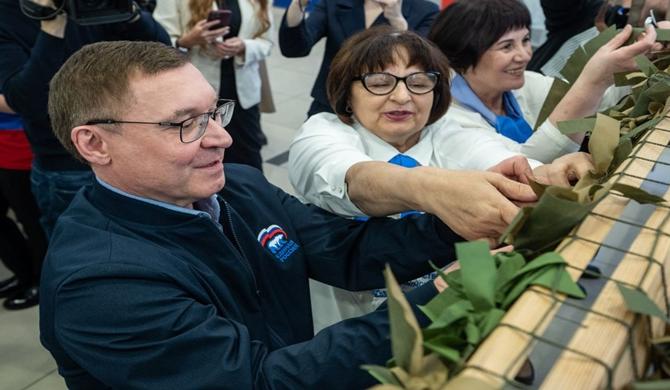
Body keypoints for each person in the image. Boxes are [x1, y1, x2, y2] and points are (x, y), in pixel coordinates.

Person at [39, 40, 469, 389]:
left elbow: (345, 251)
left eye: (213, 112)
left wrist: (459, 218)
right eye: (185, 123)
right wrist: (439, 300)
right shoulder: (102, 283)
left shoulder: (237, 187)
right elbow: (260, 380)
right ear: (94, 144)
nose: (222, 137)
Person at [288, 26, 596, 331]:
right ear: (347, 95)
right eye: (380, 83)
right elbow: (350, 177)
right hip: (351, 328)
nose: (401, 96)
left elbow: (500, 161)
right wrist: (427, 188)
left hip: (445, 321)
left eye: (419, 82)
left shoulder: (451, 132)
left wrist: (547, 177)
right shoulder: (322, 132)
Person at [0, 0, 170, 239]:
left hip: (136, 147)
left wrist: (131, 13)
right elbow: (28, 101)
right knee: (84, 252)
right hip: (66, 165)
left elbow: (162, 54)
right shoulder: (8, 15)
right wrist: (51, 26)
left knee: (153, 242)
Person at [427, 0, 657, 164]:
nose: (525, 55)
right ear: (462, 53)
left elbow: (601, 102)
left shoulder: (522, 86)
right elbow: (524, 169)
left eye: (525, 40)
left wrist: (644, 56)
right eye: (507, 46)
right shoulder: (448, 120)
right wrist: (593, 80)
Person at [154, 0, 273, 171]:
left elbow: (267, 43)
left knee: (248, 154)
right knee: (201, 155)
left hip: (242, 91)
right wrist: (187, 41)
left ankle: (251, 195)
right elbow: (158, 44)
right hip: (194, 91)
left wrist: (244, 46)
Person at [278, 0, 438, 116]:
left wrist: (397, 21)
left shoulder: (426, 10)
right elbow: (295, 48)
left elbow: (426, 61)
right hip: (332, 102)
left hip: (388, 108)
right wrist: (298, 3)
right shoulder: (335, 3)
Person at [0, 93, 46, 310]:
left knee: (31, 220)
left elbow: (28, 97)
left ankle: (40, 281)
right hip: (6, 141)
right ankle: (24, 273)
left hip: (17, 144)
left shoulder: (15, 58)